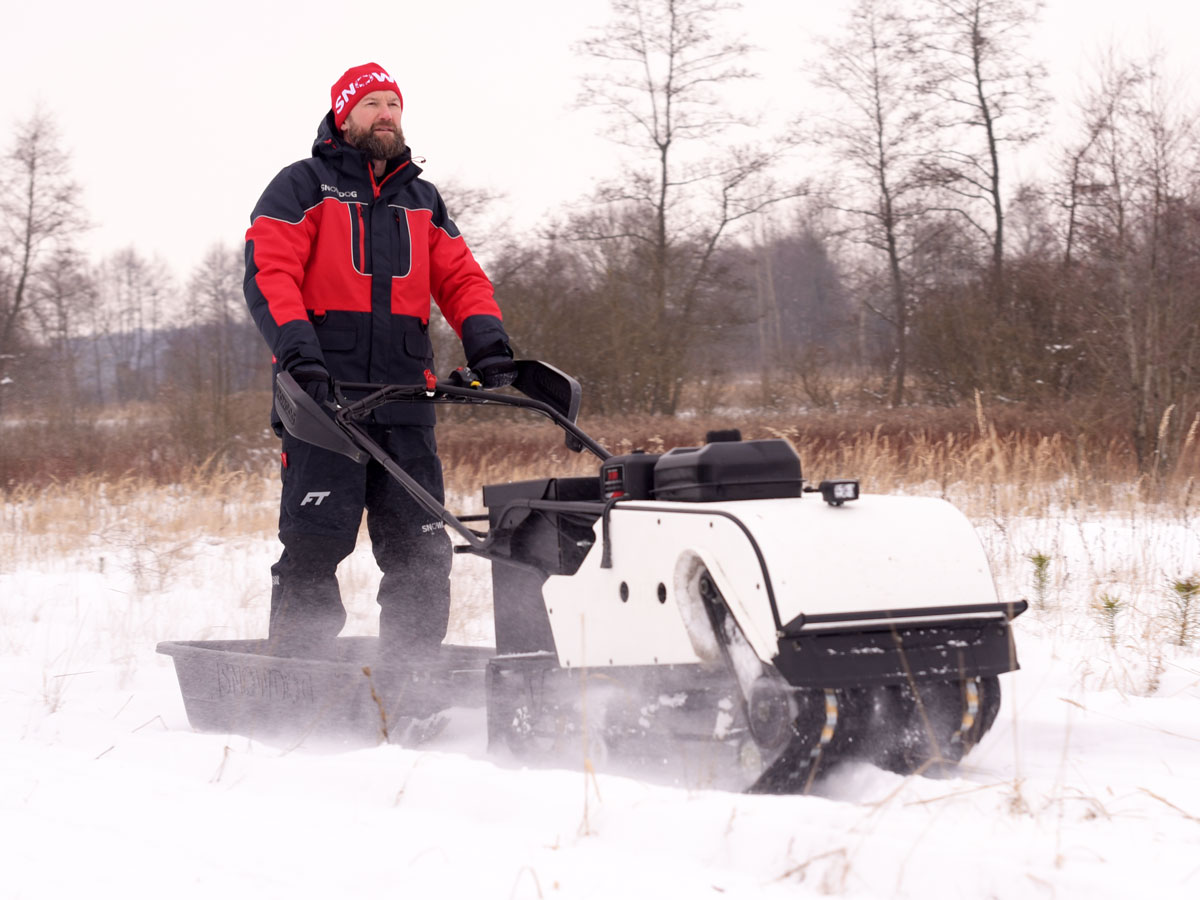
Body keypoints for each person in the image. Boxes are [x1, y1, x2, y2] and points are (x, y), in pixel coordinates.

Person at [243, 62, 515, 657]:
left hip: (405, 403)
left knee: (422, 552)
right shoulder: (302, 186)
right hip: (323, 404)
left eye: (393, 104)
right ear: (345, 117)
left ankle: (412, 677)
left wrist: (488, 344)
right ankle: (298, 674)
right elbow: (270, 274)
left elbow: (462, 279)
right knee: (314, 546)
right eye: (371, 104)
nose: (385, 114)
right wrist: (300, 358)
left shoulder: (422, 199)